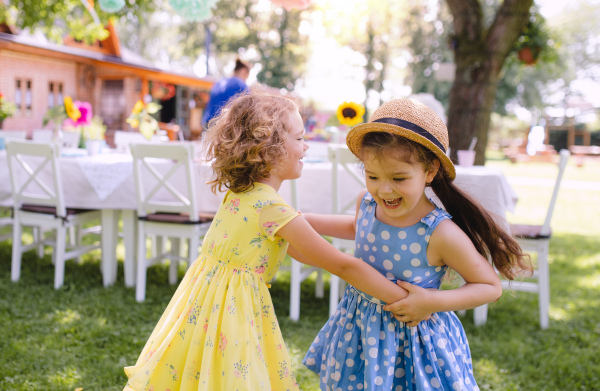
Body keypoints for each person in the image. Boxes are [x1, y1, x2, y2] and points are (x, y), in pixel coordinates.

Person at [123, 86, 414, 391]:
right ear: (268, 149)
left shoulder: (241, 194)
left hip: (207, 308)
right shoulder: (271, 208)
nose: (306, 148)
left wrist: (361, 226)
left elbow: (300, 244)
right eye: (300, 139)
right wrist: (406, 300)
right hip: (235, 313)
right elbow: (343, 266)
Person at [302, 98, 532, 390]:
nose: (384, 189)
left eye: (399, 178)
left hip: (413, 342)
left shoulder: (440, 233)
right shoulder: (368, 203)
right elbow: (355, 227)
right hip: (360, 329)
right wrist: (304, 220)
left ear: (430, 171)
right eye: (372, 176)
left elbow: (489, 286)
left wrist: (432, 302)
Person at [201, 58, 251, 127]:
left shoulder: (219, 82)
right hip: (223, 125)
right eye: (247, 77)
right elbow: (249, 108)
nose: (245, 80)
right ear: (243, 71)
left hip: (208, 123)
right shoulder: (241, 85)